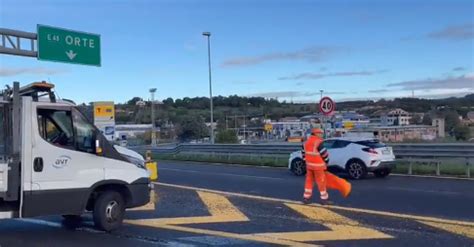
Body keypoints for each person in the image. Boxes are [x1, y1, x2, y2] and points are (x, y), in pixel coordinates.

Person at [302, 128, 351, 204]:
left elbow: (303, 154)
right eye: (320, 133)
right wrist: (326, 161)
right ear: (316, 134)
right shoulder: (318, 142)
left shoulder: (306, 143)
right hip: (318, 166)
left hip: (309, 166)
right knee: (321, 182)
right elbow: (324, 153)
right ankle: (324, 199)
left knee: (309, 181)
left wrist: (306, 161)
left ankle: (306, 198)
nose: (321, 135)